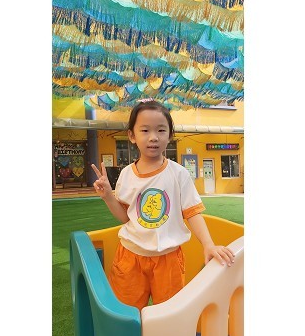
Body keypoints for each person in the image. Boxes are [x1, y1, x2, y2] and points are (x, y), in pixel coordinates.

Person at [90, 100, 235, 311]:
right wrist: (107, 197)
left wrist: (208, 244)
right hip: (130, 257)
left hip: (169, 260)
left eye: (160, 130)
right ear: (132, 135)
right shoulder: (126, 174)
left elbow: (192, 213)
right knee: (126, 313)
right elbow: (125, 217)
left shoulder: (179, 174)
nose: (153, 137)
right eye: (145, 130)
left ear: (170, 135)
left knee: (169, 314)